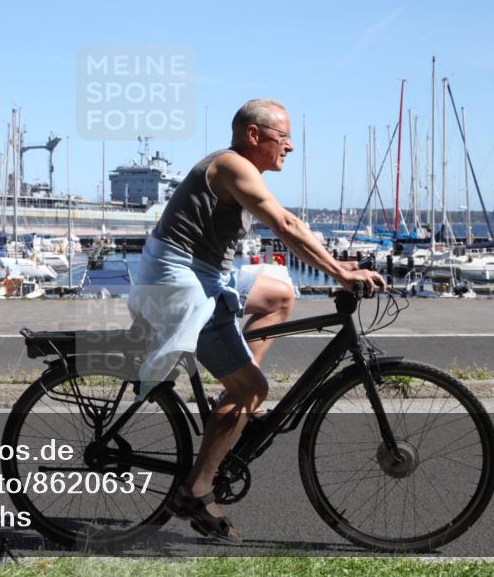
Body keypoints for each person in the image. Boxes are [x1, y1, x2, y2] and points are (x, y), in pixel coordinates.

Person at [127, 98, 386, 543]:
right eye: (283, 138)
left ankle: (235, 395)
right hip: (178, 284)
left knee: (280, 293)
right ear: (254, 136)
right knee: (255, 389)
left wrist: (338, 263)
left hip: (204, 274)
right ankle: (197, 489)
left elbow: (293, 224)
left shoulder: (243, 171)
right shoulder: (231, 166)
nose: (290, 147)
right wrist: (341, 274)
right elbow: (284, 224)